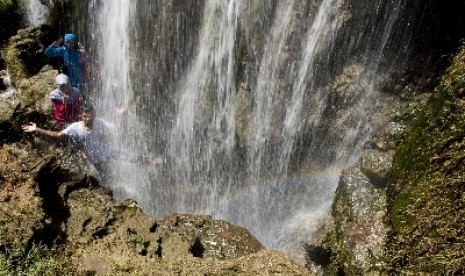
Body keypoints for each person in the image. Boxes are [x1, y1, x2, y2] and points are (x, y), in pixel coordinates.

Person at [22, 105, 114, 176]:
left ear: (94, 115)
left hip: (105, 155)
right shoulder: (75, 127)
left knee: (110, 174)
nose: (87, 119)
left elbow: (114, 128)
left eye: (89, 116)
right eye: (84, 116)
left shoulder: (100, 123)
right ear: (81, 116)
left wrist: (120, 114)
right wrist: (37, 129)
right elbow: (57, 134)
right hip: (91, 160)